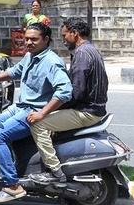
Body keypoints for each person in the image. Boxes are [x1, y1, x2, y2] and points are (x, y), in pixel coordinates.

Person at [0, 22, 71, 202]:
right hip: (20, 106)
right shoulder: (30, 56)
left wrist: (42, 114)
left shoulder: (52, 62)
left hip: (32, 111)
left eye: (34, 39)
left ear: (46, 40)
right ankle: (14, 168)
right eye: (27, 38)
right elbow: (15, 72)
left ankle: (12, 186)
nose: (29, 42)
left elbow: (65, 92)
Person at [27, 18, 109, 184]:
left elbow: (75, 92)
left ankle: (55, 172)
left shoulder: (81, 54)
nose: (63, 40)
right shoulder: (91, 50)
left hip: (86, 112)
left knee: (38, 124)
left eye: (65, 36)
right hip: (96, 108)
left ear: (75, 33)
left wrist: (46, 110)